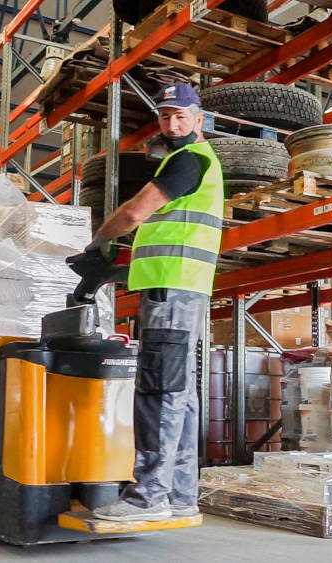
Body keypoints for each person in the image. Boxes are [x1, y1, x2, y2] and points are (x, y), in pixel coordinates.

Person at [81, 83, 224, 522]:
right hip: (182, 287)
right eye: (165, 117)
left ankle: (148, 497)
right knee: (180, 392)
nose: (172, 124)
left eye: (181, 116)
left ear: (199, 119)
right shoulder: (196, 162)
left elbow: (133, 213)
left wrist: (99, 240)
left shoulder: (189, 161)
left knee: (160, 389)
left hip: (171, 289)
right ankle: (180, 494)